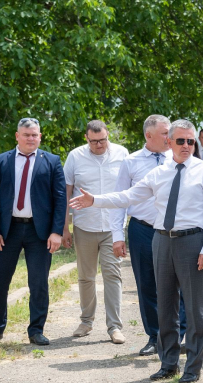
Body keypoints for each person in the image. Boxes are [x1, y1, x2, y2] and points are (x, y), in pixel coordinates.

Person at [70, 119, 203, 383]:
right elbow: (126, 196)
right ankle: (168, 363)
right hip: (162, 241)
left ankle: (193, 367)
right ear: (169, 142)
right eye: (181, 140)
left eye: (191, 141)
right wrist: (95, 200)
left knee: (194, 307)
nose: (187, 145)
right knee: (165, 306)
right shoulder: (159, 173)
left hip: (191, 241)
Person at [109, 115, 187, 356]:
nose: (169, 137)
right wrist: (117, 236)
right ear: (148, 135)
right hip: (142, 229)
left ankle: (178, 334)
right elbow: (120, 199)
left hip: (174, 230)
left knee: (180, 283)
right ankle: (155, 336)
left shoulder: (179, 158)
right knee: (147, 285)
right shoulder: (131, 162)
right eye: (164, 133)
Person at [0, 117, 66, 346]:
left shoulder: (52, 161)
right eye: (27, 135)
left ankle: (36, 331)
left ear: (40, 137)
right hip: (7, 231)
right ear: (17, 136)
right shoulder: (1, 161)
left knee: (38, 282)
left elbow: (60, 199)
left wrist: (56, 232)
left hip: (39, 233)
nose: (31, 138)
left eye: (35, 135)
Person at [62, 120, 129, 344]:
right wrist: (65, 227)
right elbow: (66, 192)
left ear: (108, 136)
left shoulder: (122, 154)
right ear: (86, 138)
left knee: (112, 275)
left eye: (103, 140)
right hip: (85, 225)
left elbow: (129, 190)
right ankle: (86, 321)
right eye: (94, 141)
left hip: (112, 226)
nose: (99, 145)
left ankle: (114, 327)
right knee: (86, 276)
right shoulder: (75, 156)